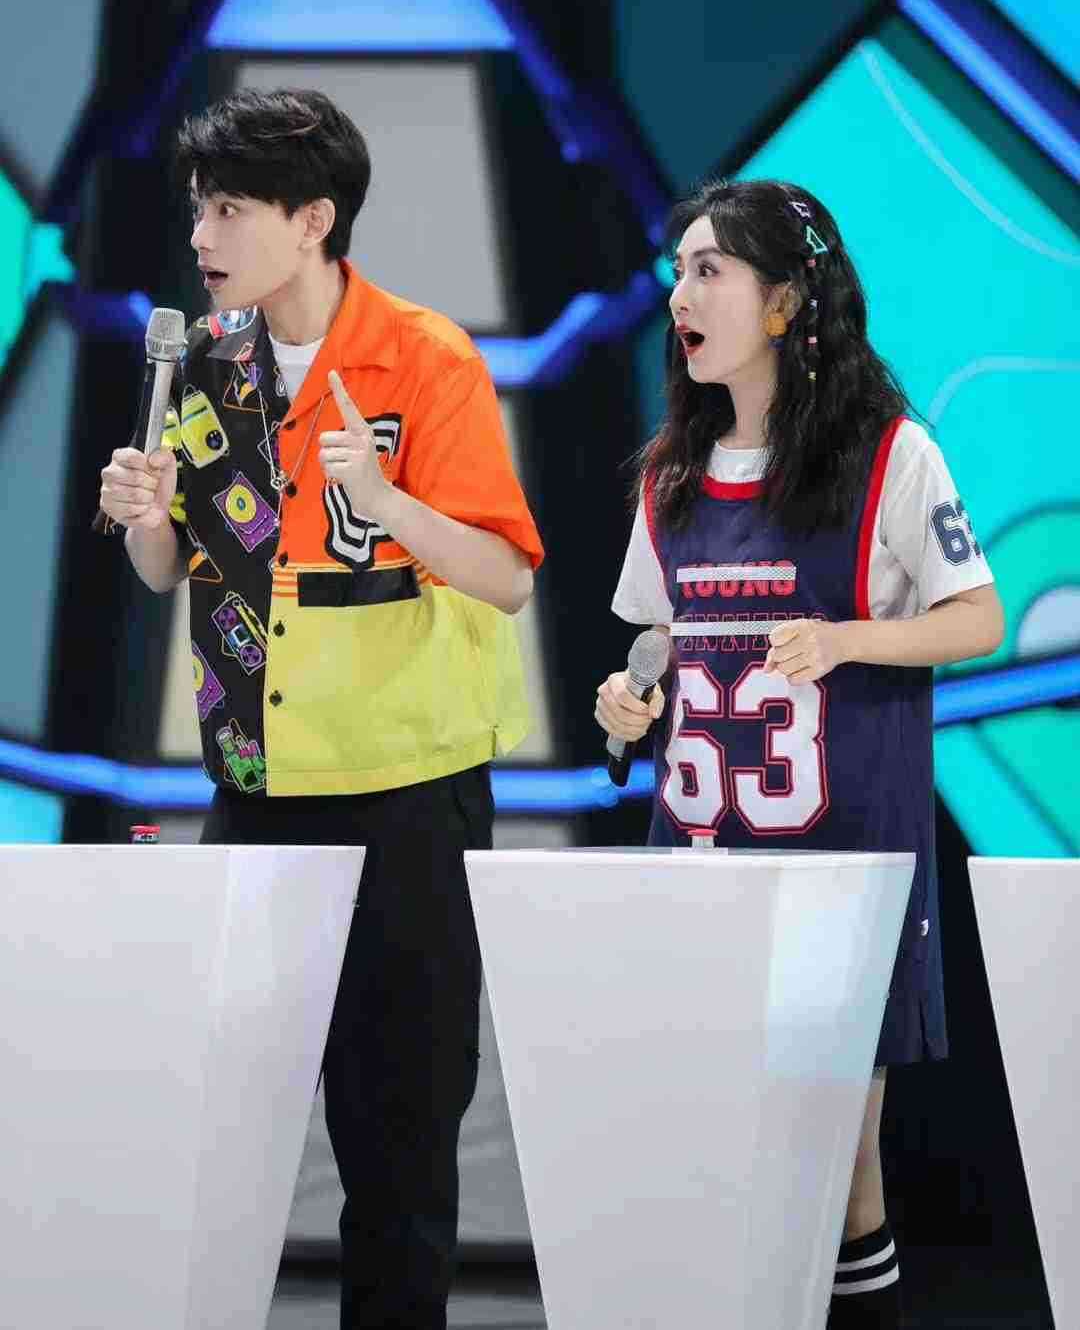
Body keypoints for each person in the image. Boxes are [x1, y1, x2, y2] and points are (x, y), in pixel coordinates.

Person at [97, 87, 544, 1330]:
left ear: (314, 221)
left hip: (406, 796)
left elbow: (506, 577)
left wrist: (388, 501)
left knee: (399, 1143)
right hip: (252, 786)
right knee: (225, 1133)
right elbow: (171, 569)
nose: (202, 234)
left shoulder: (426, 357)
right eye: (199, 206)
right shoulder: (203, 363)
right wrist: (145, 520)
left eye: (230, 208)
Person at [594, 178, 1003, 1328]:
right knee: (714, 1161)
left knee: (839, 1168)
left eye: (710, 270)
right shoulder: (669, 475)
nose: (680, 295)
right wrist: (628, 703)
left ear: (784, 303)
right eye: (678, 271)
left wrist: (846, 640)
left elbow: (979, 618)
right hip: (700, 869)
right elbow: (655, 646)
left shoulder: (890, 457)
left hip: (843, 869)